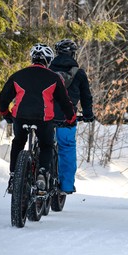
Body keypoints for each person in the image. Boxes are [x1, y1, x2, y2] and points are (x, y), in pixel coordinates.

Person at [0, 43, 76, 194]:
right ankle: (41, 173)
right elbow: (65, 103)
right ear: (48, 60)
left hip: (20, 117)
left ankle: (14, 176)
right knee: (46, 144)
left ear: (32, 58)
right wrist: (71, 119)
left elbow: (3, 98)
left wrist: (5, 112)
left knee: (18, 142)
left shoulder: (18, 75)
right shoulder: (54, 78)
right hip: (43, 119)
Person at [49, 39, 95, 195]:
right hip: (66, 117)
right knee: (67, 147)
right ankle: (67, 186)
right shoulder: (79, 73)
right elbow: (86, 97)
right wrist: (88, 115)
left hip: (46, 116)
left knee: (44, 145)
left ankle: (39, 174)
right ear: (73, 53)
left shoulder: (47, 71)